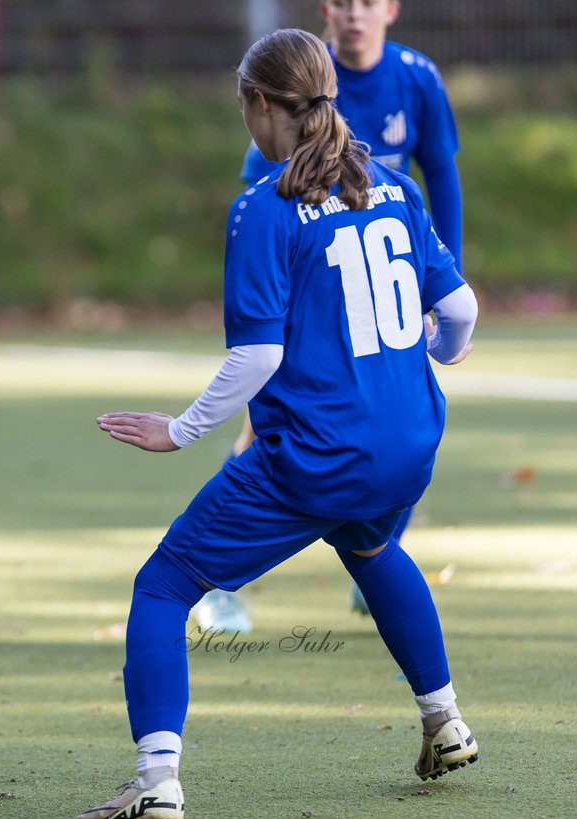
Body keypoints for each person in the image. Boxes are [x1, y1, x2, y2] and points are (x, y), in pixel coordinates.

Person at [77, 28, 479, 819]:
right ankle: (446, 721)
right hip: (410, 445)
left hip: (320, 455)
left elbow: (256, 357)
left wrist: (182, 430)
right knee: (368, 545)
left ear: (260, 105)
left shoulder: (266, 208)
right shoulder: (394, 187)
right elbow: (460, 311)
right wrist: (427, 354)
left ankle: (156, 778)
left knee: (163, 586)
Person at [196, 0, 465, 631]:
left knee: (384, 419)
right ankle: (221, 582)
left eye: (366, 2)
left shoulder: (417, 78)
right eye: (341, 3)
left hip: (386, 281)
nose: (353, 14)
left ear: (391, 9)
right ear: (326, 12)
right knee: (272, 422)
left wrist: (438, 280)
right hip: (314, 288)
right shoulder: (295, 82)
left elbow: (441, 176)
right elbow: (265, 201)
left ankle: (373, 564)